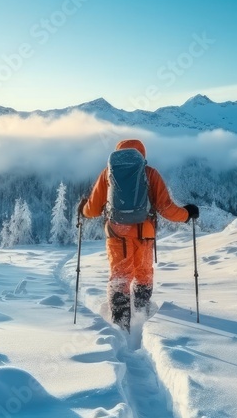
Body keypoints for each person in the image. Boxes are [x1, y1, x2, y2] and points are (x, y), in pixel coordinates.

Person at [78, 139, 199, 330]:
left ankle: (121, 326)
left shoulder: (108, 174)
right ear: (142, 155)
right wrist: (187, 214)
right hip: (145, 234)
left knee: (120, 277)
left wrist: (83, 209)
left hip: (117, 233)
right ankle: (142, 316)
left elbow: (92, 210)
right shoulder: (150, 174)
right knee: (143, 274)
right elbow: (166, 208)